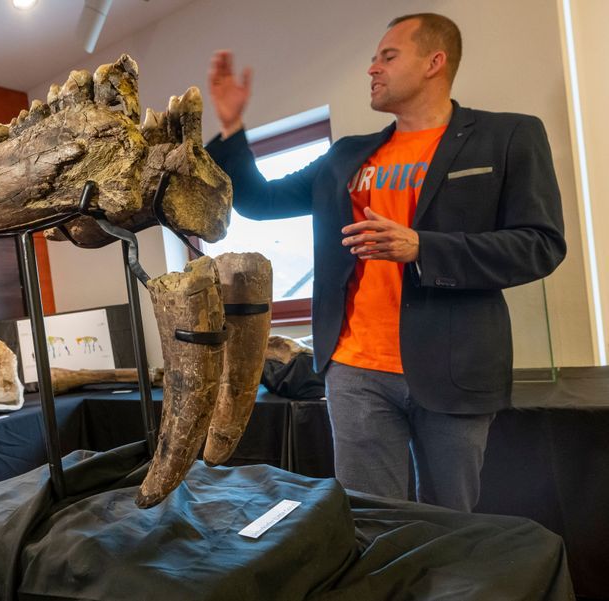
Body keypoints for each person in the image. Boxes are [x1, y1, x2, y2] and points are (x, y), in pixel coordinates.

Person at [205, 13, 566, 511]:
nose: (372, 68)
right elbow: (260, 201)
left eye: (388, 56)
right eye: (374, 58)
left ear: (434, 62)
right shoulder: (347, 156)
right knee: (372, 519)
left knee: (448, 520)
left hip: (454, 366)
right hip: (353, 370)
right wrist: (231, 127)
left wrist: (424, 247)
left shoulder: (508, 138)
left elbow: (540, 244)